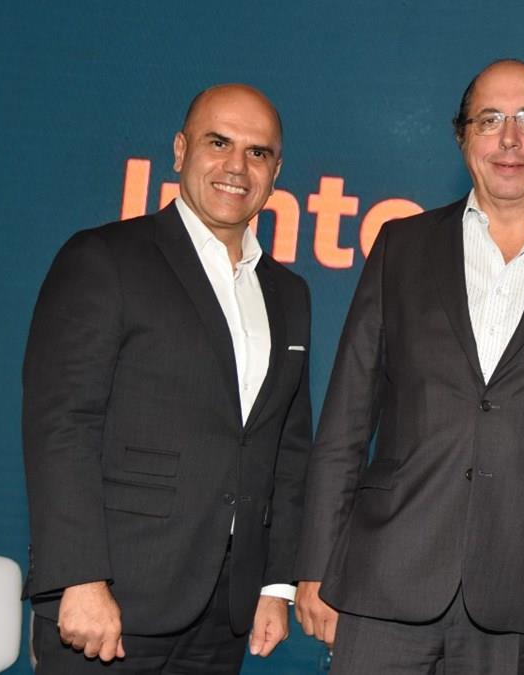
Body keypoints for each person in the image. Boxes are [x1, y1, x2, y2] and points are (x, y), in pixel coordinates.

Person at [293, 59, 524, 674]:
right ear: (462, 137)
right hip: (384, 580)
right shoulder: (401, 246)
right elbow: (345, 422)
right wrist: (317, 563)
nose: (509, 139)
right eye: (489, 120)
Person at [22, 83, 313, 674]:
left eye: (257, 152)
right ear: (181, 150)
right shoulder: (105, 257)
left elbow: (287, 448)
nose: (237, 166)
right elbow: (62, 425)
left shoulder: (289, 293)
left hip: (224, 613)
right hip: (112, 602)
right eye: (218, 143)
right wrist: (79, 577)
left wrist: (275, 584)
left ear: (276, 172)